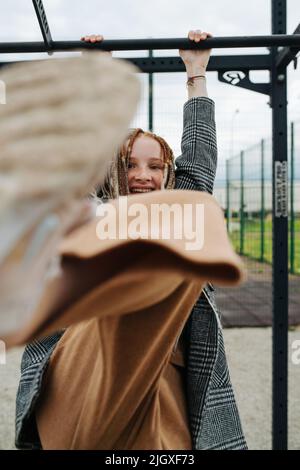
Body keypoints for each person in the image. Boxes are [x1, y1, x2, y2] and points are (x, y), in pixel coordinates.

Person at [14, 30, 248, 450]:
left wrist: (196, 71)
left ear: (168, 174)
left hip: (162, 369)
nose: (143, 175)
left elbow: (200, 157)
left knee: (188, 221)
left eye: (155, 166)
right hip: (87, 363)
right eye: (129, 164)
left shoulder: (180, 209)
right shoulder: (93, 209)